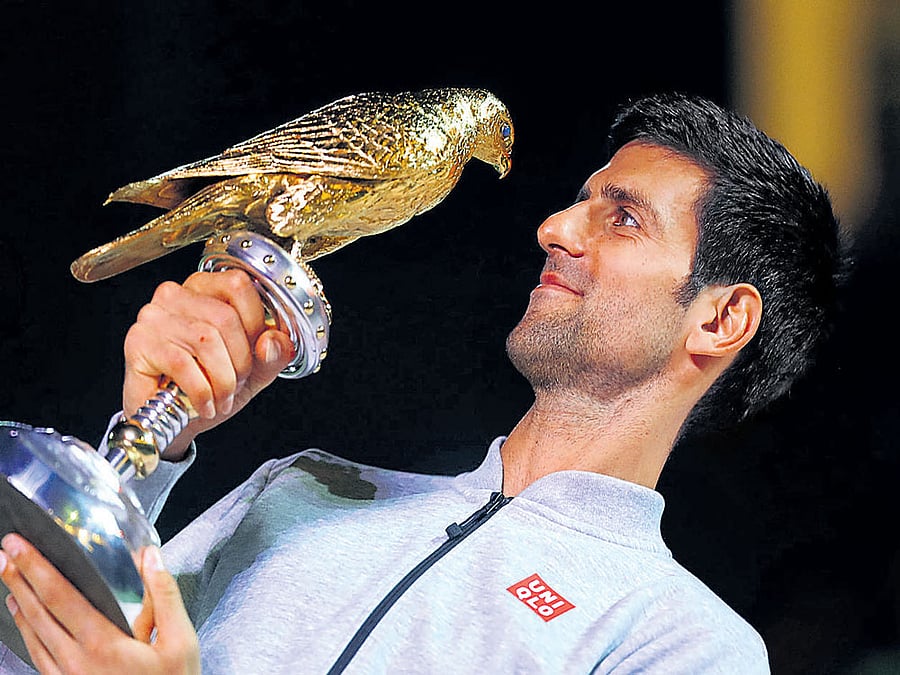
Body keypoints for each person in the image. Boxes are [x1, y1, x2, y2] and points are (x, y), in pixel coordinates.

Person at [0, 92, 846, 673]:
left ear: (720, 319)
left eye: (622, 218)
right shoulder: (301, 491)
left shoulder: (680, 639)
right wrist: (148, 438)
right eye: (576, 203)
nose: (553, 227)